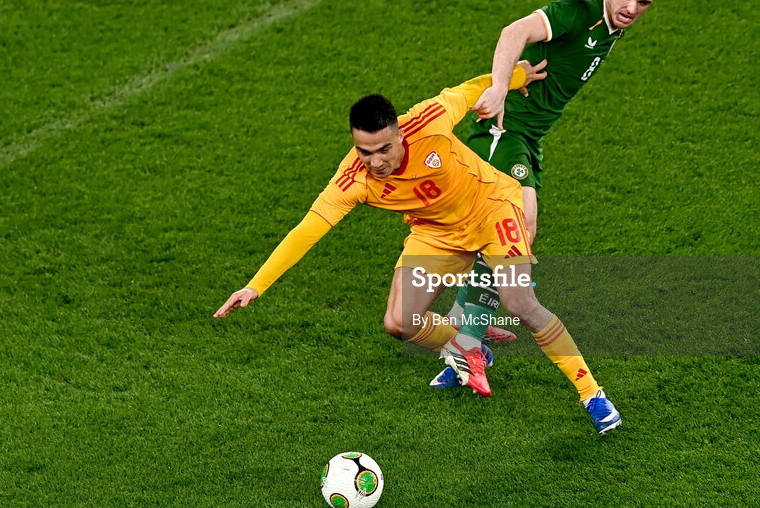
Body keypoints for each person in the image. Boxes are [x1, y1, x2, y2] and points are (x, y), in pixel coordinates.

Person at [213, 62, 621, 434]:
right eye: (364, 151)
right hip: (437, 233)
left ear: (399, 134)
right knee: (400, 324)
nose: (375, 162)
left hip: (494, 210)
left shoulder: (429, 120)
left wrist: (514, 77)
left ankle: (592, 394)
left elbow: (471, 89)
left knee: (520, 303)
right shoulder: (353, 179)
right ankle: (468, 345)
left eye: (384, 149)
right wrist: (256, 286)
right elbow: (308, 229)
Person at [432, 0, 663, 390]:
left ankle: (466, 331)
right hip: (505, 129)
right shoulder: (580, 10)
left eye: (644, 3)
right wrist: (500, 86)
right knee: (514, 228)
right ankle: (463, 341)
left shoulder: (616, 23)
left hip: (530, 137)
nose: (632, 9)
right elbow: (514, 31)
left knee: (513, 234)